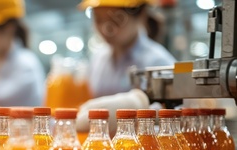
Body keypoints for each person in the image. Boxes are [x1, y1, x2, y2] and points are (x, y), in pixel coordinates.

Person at [75, 0, 176, 132]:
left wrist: (140, 110)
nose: (106, 28)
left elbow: (175, 118)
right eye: (99, 20)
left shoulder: (159, 62)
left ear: (141, 14)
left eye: (115, 20)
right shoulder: (98, 59)